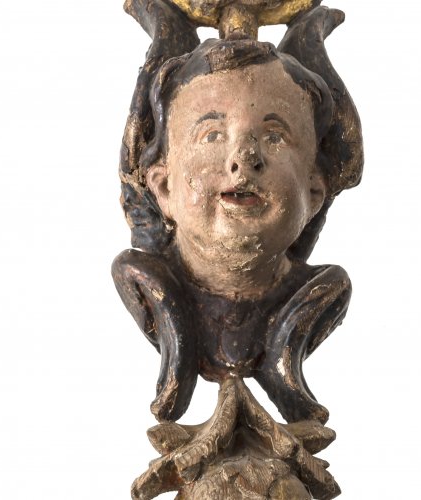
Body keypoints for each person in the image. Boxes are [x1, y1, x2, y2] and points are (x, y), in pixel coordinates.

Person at [113, 18, 362, 424]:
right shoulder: (145, 276)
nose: (244, 158)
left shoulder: (321, 291)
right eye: (212, 135)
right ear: (162, 187)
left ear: (314, 192)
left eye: (274, 137)